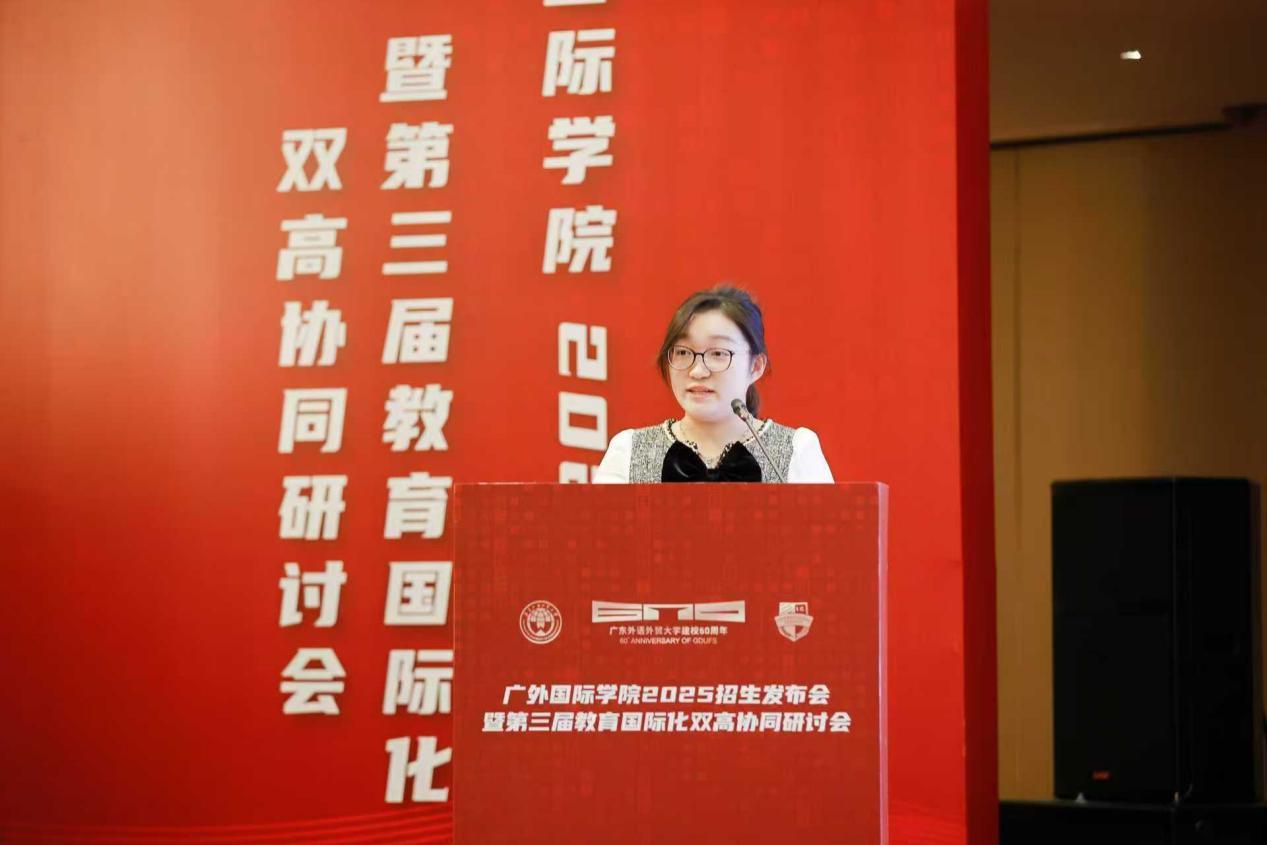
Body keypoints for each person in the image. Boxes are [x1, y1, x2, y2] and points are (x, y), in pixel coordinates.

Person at [594, 286, 834, 484]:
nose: (697, 371)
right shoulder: (628, 451)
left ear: (756, 366)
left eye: (718, 353)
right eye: (682, 352)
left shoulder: (797, 451)